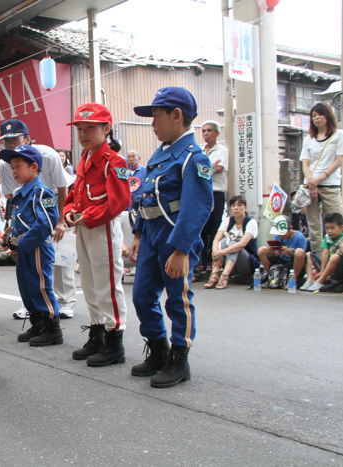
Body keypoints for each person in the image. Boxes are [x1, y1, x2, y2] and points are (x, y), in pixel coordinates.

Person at [129, 87, 213, 388]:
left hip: (175, 237)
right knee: (141, 295)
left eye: (157, 115)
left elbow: (198, 206)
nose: (152, 122)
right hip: (151, 234)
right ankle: (159, 348)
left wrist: (181, 249)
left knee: (178, 299)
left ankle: (180, 357)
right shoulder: (161, 153)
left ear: (177, 116)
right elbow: (146, 196)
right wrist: (138, 232)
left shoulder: (193, 157)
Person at [63, 103, 131, 367]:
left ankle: (115, 341)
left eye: (90, 128)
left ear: (106, 128)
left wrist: (87, 215)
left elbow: (119, 201)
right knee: (90, 283)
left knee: (107, 285)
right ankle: (97, 332)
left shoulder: (114, 161)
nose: (83, 133)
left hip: (102, 227)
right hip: (83, 226)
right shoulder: (84, 159)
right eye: (80, 128)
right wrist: (69, 210)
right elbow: (74, 196)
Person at [0, 119, 76, 319]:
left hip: (51, 204)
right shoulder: (5, 162)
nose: (11, 145)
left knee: (59, 258)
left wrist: (58, 221)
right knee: (27, 267)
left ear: (28, 139)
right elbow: (11, 195)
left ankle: (65, 302)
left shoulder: (48, 154)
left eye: (15, 139)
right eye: (6, 141)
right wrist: (12, 227)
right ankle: (31, 305)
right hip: (27, 212)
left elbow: (61, 187)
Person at [1, 145, 61, 346]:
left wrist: (22, 243)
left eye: (18, 166)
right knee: (26, 286)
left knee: (40, 286)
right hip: (24, 247)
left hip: (36, 247)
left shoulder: (41, 192)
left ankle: (52, 327)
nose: (14, 171)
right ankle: (37, 323)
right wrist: (11, 237)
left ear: (34, 167)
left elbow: (46, 222)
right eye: (12, 167)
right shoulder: (21, 193)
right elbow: (19, 220)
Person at [300, 103, 343, 253]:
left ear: (327, 116)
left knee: (338, 223)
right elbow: (305, 163)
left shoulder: (339, 135)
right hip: (310, 187)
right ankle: (318, 263)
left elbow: (339, 160)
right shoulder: (308, 138)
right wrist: (312, 183)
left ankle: (338, 261)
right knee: (314, 228)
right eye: (313, 115)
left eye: (320, 114)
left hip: (330, 185)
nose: (317, 118)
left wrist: (319, 179)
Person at [204, 195, 260, 289]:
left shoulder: (251, 222)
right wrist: (215, 252)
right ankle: (214, 274)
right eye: (233, 206)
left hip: (248, 263)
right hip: (230, 262)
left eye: (239, 205)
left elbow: (242, 244)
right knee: (223, 241)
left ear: (245, 207)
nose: (236, 208)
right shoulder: (228, 221)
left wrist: (220, 252)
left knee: (234, 243)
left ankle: (224, 276)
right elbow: (216, 239)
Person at [199, 120, 229, 271]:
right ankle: (202, 263)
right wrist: (209, 169)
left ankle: (214, 262)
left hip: (216, 192)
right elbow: (196, 172)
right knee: (202, 228)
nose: (206, 134)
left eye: (209, 130)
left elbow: (218, 169)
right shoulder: (199, 150)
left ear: (217, 133)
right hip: (201, 193)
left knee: (214, 227)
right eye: (204, 131)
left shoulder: (222, 150)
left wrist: (204, 170)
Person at [302, 213, 343, 291]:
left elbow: (337, 254)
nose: (329, 231)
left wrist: (325, 273)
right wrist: (322, 270)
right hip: (327, 266)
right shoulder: (327, 237)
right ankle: (310, 280)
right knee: (309, 254)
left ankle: (320, 281)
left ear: (342, 228)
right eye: (327, 228)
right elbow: (325, 253)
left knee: (335, 257)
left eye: (332, 228)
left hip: (338, 268)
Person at [257, 215, 307, 283]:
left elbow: (302, 255)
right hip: (280, 261)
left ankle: (293, 279)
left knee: (299, 252)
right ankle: (271, 277)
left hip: (293, 263)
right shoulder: (278, 236)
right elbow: (278, 255)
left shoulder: (300, 237)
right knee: (261, 250)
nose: (281, 235)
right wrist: (273, 252)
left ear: (290, 228)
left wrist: (289, 252)